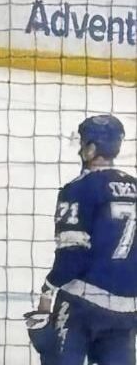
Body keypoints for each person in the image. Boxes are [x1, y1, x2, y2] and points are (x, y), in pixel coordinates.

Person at [27, 114, 137, 365]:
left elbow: (72, 257)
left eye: (83, 143)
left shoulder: (78, 188)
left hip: (82, 306)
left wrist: (47, 290)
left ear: (91, 148)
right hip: (128, 310)